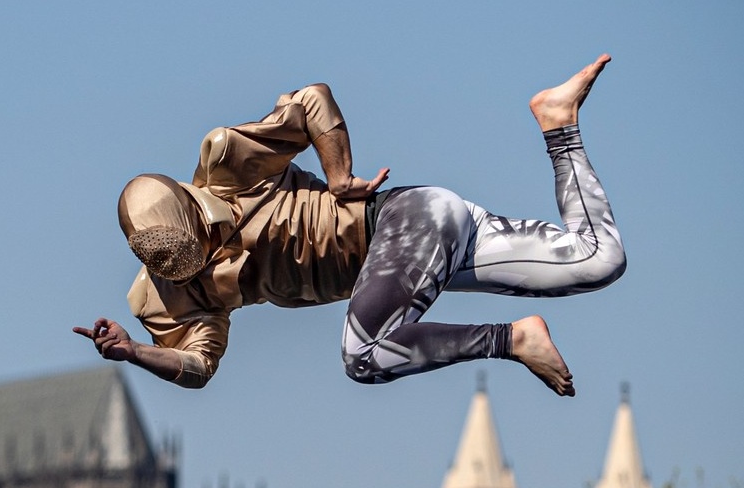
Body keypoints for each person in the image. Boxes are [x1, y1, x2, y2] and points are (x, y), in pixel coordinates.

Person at [74, 55, 624, 397]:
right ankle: (559, 122)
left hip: (404, 225)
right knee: (599, 258)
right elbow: (198, 365)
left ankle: (511, 339)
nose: (212, 255)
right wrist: (135, 353)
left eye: (208, 239)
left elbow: (313, 100)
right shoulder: (167, 296)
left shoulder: (226, 162)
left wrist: (337, 178)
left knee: (362, 355)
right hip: (430, 251)